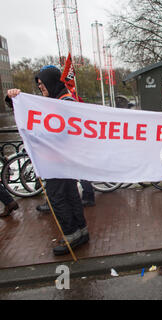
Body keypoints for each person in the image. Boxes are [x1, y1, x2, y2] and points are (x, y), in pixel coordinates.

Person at [6, 65, 89, 255]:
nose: (41, 87)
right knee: (70, 195)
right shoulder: (57, 100)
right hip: (61, 160)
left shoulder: (63, 102)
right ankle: (80, 231)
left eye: (43, 84)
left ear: (51, 82)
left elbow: (63, 130)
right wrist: (15, 99)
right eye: (39, 85)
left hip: (56, 161)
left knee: (58, 198)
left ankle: (71, 234)